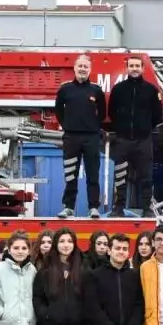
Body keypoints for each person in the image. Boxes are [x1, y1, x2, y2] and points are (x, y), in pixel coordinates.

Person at [108, 55, 163, 217]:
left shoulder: (151, 90)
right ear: (127, 68)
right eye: (131, 66)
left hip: (143, 140)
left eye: (137, 66)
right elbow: (112, 112)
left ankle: (147, 209)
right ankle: (118, 208)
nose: (134, 68)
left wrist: (145, 128)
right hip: (123, 140)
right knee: (120, 176)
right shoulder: (118, 89)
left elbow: (157, 115)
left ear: (142, 68)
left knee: (145, 176)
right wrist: (121, 128)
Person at [56, 54, 107, 219]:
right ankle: (68, 207)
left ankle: (93, 208)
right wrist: (67, 125)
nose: (83, 69)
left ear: (90, 69)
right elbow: (58, 111)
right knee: (71, 174)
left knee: (93, 174)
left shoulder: (96, 90)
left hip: (91, 138)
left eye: (86, 67)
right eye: (80, 66)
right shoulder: (65, 89)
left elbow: (102, 113)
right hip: (71, 138)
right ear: (75, 68)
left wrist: (93, 125)